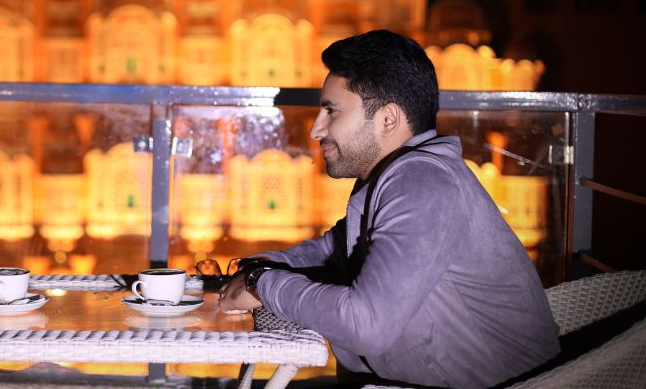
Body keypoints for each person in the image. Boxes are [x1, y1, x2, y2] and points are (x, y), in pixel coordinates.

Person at [218, 30, 560, 389]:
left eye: (331, 111)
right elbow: (331, 249)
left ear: (388, 119)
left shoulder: (421, 183)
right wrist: (254, 266)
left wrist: (262, 283)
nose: (317, 130)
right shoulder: (395, 176)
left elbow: (367, 325)